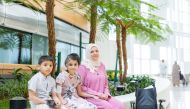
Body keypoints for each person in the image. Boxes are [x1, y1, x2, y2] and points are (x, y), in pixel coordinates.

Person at [77, 44, 125, 109]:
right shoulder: (83, 67)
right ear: (88, 53)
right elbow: (81, 87)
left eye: (97, 51)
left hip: (104, 96)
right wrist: (98, 94)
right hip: (91, 97)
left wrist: (106, 94)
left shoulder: (102, 65)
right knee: (108, 107)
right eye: (92, 52)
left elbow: (106, 84)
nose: (95, 53)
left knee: (120, 105)